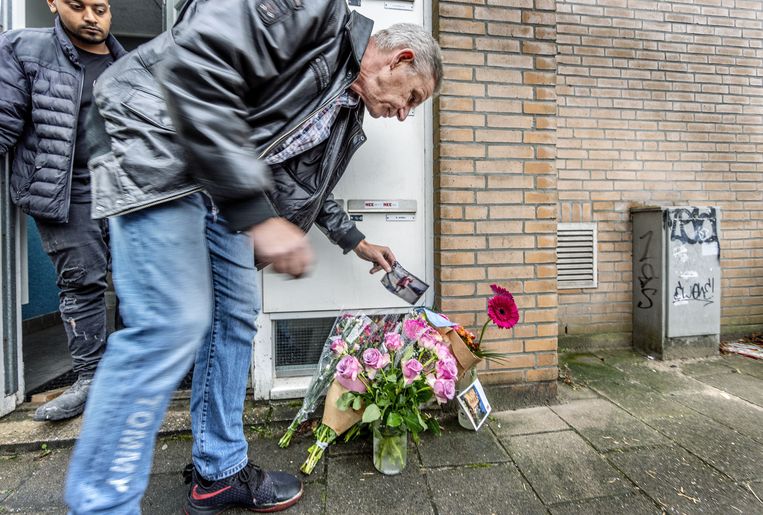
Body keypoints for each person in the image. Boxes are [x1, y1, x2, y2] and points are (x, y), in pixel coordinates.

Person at [64, 0, 442, 512]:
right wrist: (256, 215)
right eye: (411, 98)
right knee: (170, 325)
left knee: (235, 319)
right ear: (398, 59)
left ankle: (218, 472)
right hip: (157, 137)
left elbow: (301, 184)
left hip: (223, 184)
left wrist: (357, 242)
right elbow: (197, 68)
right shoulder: (313, 14)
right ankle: (102, 503)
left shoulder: (343, 113)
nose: (404, 113)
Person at [0, 0, 124, 421]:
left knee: (140, 284)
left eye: (101, 8)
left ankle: (131, 377)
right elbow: (4, 120)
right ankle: (90, 380)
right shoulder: (23, 48)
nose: (92, 17)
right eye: (78, 6)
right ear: (52, 2)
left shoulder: (129, 64)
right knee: (82, 284)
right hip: (67, 192)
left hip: (128, 192)